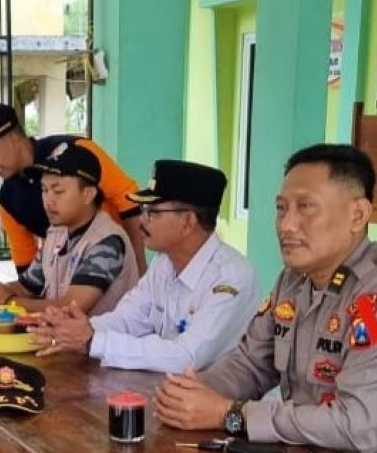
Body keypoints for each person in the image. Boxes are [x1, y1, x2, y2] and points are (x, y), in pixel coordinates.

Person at [153, 144, 377, 453]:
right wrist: (190, 396)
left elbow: (358, 426)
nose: (286, 225)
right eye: (281, 208)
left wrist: (232, 414)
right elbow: (251, 364)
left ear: (357, 215)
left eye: (306, 208)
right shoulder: (294, 279)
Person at [31, 160, 258, 373]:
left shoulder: (230, 279)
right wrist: (75, 328)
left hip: (221, 408)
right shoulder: (164, 263)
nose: (142, 220)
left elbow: (186, 357)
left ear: (188, 222)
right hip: (168, 395)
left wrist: (93, 340)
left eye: (153, 212)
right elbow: (127, 319)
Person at [0, 140, 139, 314]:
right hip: (61, 346)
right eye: (44, 190)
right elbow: (27, 287)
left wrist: (9, 302)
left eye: (58, 191)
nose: (48, 200)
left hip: (97, 354)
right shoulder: (57, 234)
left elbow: (69, 308)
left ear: (88, 194)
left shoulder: (106, 241)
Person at [0, 103, 148, 275]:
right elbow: (26, 264)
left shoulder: (77, 152)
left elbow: (128, 201)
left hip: (113, 263)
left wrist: (138, 270)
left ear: (13, 138)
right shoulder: (8, 199)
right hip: (69, 279)